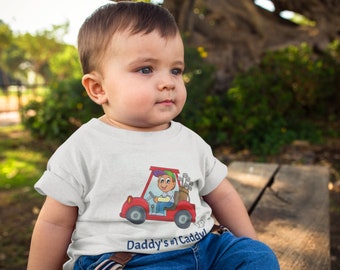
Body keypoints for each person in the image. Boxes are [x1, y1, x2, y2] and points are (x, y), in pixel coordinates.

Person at [27, 2, 280, 269]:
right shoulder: (83, 148)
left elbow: (223, 196)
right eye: (146, 69)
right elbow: (54, 222)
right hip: (127, 260)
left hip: (204, 248)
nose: (168, 82)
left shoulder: (189, 141)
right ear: (98, 88)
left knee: (257, 258)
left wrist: (249, 243)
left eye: (176, 70)